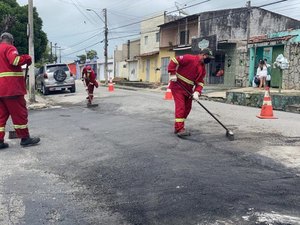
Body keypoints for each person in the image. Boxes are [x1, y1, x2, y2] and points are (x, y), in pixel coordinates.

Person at [0, 32, 40, 149]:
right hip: (11, 89)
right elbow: (15, 60)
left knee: (1, 116)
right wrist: (26, 58)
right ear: (12, 41)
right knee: (19, 115)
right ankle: (25, 138)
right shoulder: (9, 48)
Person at [167, 48, 214, 137]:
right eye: (208, 57)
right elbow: (174, 60)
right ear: (203, 55)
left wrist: (197, 92)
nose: (209, 60)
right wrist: (172, 73)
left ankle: (179, 126)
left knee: (187, 108)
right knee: (181, 107)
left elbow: (200, 82)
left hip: (188, 89)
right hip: (178, 86)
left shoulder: (203, 69)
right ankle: (179, 129)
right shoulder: (189, 58)